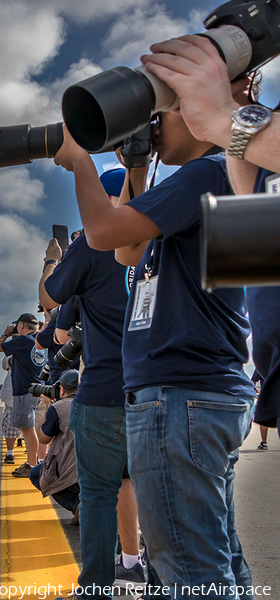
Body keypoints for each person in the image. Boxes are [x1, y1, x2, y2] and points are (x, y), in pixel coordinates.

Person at [54, 97, 256, 599]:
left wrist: (80, 160)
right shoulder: (218, 175)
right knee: (215, 555)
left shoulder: (206, 173)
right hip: (202, 390)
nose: (152, 125)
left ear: (200, 113)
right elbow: (128, 251)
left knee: (188, 569)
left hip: (180, 394)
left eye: (160, 112)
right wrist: (138, 169)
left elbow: (103, 233)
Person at [139, 34, 280, 435]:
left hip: (196, 382)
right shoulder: (263, 131)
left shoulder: (204, 171)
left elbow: (107, 236)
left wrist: (222, 116)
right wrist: (236, 119)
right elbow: (249, 195)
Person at [39, 169, 145, 598]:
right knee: (149, 488)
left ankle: (97, 586)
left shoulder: (93, 244)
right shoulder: (160, 231)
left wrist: (53, 257)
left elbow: (54, 311)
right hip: (154, 387)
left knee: (99, 493)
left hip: (101, 391)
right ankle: (142, 567)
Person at [29, 370, 80, 525]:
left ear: (62, 389)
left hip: (70, 471)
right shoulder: (94, 403)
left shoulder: (58, 408)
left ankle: (76, 504)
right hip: (98, 469)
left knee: (36, 473)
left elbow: (43, 439)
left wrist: (48, 406)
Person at [0, 313, 43, 477]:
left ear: (21, 325)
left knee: (28, 430)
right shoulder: (39, 342)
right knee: (30, 429)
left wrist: (6, 334)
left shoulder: (23, 341)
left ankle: (32, 465)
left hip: (24, 391)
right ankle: (33, 462)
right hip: (35, 390)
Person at [0, 356, 22, 464]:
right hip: (12, 396)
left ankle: (34, 456)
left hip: (26, 394)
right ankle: (10, 453)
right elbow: (5, 365)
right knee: (10, 426)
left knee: (31, 427)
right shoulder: (10, 353)